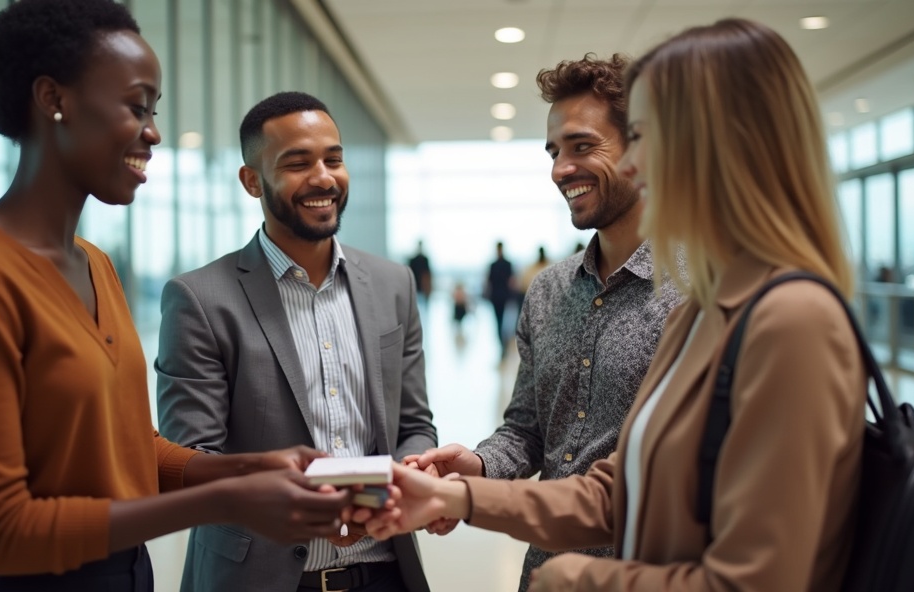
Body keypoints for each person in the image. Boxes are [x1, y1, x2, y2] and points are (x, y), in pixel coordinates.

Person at [370, 18, 865, 591]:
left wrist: (575, 580)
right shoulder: (714, 302)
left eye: (647, 136)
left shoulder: (786, 316)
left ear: (715, 143)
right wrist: (457, 491)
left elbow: (761, 578)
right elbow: (621, 488)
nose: (631, 164)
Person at [0, 2, 351, 589]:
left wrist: (247, 468)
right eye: (136, 107)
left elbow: (132, 450)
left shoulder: (95, 264)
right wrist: (230, 503)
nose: (154, 132)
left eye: (154, 111)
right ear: (52, 98)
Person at [407, 53, 682, 591]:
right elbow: (528, 429)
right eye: (555, 152)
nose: (560, 170)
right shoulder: (550, 291)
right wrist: (479, 465)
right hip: (547, 574)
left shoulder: (704, 291)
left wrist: (470, 501)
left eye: (583, 146)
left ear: (641, 148)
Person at [156, 91, 436, 592]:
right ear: (251, 180)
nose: (324, 177)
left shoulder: (393, 284)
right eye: (297, 163)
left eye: (334, 158)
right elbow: (192, 459)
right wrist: (312, 506)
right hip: (258, 578)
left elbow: (413, 426)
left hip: (384, 573)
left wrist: (378, 501)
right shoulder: (199, 299)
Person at [484, 241, 516, 355]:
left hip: (502, 296)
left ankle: (503, 342)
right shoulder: (498, 265)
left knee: (502, 321)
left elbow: (511, 281)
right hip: (498, 297)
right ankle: (502, 342)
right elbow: (489, 282)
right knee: (499, 321)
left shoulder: (504, 264)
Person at [408, 239, 433, 310]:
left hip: (421, 287)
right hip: (416, 286)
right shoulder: (413, 260)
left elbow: (427, 274)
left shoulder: (424, 260)